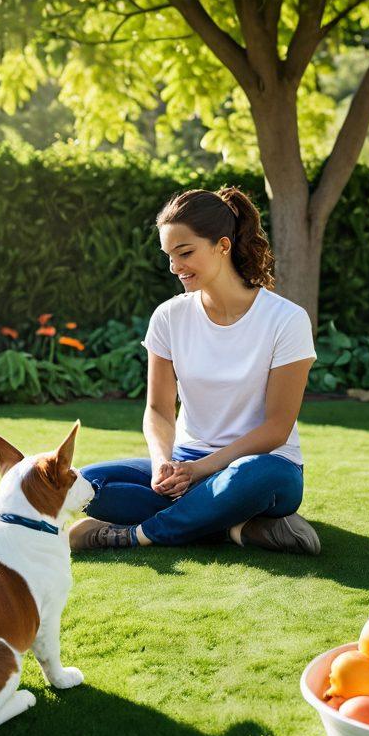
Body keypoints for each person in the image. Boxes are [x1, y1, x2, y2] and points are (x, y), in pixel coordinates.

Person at [69, 186, 320, 554]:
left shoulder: (286, 320)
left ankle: (138, 534)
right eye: (169, 256)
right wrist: (162, 463)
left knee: (257, 476)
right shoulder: (169, 317)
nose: (175, 267)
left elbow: (276, 428)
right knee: (88, 484)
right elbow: (158, 409)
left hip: (261, 467)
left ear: (222, 245)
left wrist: (201, 471)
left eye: (185, 253)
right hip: (185, 462)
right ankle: (236, 528)